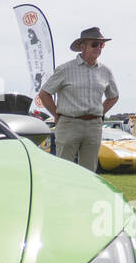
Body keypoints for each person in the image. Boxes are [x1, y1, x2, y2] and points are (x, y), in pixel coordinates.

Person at [37, 27, 120, 171]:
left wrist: (99, 113)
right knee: (64, 169)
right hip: (69, 123)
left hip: (94, 126)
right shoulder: (65, 69)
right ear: (82, 47)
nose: (99, 48)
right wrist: (56, 115)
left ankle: (87, 195)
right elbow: (44, 93)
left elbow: (113, 96)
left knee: (89, 172)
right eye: (95, 44)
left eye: (101, 45)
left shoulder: (105, 71)